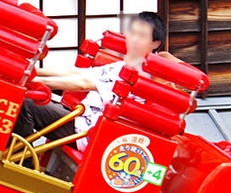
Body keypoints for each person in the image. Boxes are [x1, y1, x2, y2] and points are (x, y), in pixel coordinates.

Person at [15, 11, 167, 151]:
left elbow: (83, 83)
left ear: (155, 43)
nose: (133, 39)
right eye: (132, 33)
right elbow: (79, 73)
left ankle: (21, 164)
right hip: (81, 119)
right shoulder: (123, 65)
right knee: (26, 97)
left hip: (88, 133)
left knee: (24, 102)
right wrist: (31, 71)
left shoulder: (141, 75)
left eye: (141, 36)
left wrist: (31, 78)